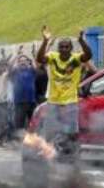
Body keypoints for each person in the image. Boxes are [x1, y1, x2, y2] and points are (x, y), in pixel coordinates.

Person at [35, 26, 93, 160]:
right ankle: (49, 154)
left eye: (67, 47)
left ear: (71, 48)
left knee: (71, 131)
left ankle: (71, 154)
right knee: (50, 131)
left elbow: (88, 55)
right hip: (53, 101)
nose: (64, 49)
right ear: (58, 48)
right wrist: (45, 41)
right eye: (61, 47)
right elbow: (40, 59)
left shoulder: (76, 59)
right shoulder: (52, 57)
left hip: (70, 101)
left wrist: (81, 41)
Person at [10, 53, 39, 137]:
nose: (22, 62)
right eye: (20, 61)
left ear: (28, 62)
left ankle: (33, 141)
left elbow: (36, 65)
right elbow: (10, 67)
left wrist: (29, 57)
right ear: (18, 63)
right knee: (19, 124)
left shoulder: (31, 71)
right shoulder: (15, 72)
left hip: (31, 101)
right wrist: (17, 56)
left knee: (33, 122)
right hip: (19, 102)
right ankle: (21, 141)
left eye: (24, 61)